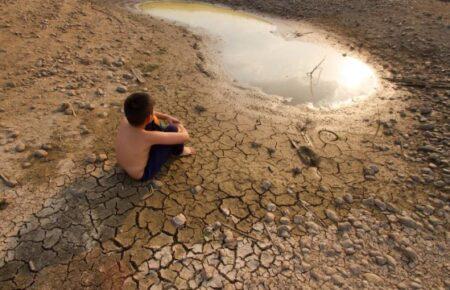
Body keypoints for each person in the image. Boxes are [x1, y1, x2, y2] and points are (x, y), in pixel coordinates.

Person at [115, 92, 195, 181]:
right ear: (148, 117)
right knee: (172, 129)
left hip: (124, 165)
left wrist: (165, 116)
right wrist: (179, 125)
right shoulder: (148, 137)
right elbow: (185, 136)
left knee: (151, 123)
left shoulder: (125, 120)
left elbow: (151, 115)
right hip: (142, 174)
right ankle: (178, 151)